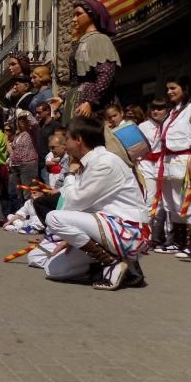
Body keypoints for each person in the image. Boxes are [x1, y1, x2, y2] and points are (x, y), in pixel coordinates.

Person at [43, 116, 149, 290]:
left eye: (67, 138)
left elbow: (73, 203)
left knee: (53, 217)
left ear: (78, 140)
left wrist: (70, 174)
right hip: (108, 227)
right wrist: (71, 236)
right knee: (53, 270)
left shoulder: (104, 163)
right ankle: (124, 265)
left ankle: (111, 263)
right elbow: (84, 205)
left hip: (129, 231)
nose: (65, 142)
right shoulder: (92, 161)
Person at [158, 76, 191, 260]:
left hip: (185, 162)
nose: (169, 92)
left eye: (173, 88)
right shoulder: (173, 112)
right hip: (169, 163)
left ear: (184, 88)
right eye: (167, 89)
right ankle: (179, 241)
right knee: (173, 203)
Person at [59, 0, 121, 124]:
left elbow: (106, 74)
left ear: (92, 15)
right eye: (73, 15)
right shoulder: (82, 41)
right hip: (79, 103)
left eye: (78, 14)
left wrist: (90, 102)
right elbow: (80, 81)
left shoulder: (99, 39)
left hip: (95, 109)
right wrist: (63, 98)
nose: (73, 19)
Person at [141, 99, 174, 252]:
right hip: (147, 166)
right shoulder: (143, 126)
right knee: (150, 201)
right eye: (153, 108)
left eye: (160, 109)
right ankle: (145, 237)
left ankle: (160, 237)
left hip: (166, 166)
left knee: (165, 204)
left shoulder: (171, 124)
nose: (156, 112)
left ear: (167, 110)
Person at [9, 110, 39, 202]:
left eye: (24, 119)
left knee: (28, 193)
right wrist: (10, 160)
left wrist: (26, 114)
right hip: (15, 166)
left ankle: (30, 215)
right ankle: (22, 214)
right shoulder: (18, 135)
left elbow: (35, 124)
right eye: (20, 119)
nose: (22, 121)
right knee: (19, 194)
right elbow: (15, 150)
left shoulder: (32, 132)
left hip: (28, 165)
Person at [35, 101, 60, 183]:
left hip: (49, 164)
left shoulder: (55, 125)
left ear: (47, 111)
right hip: (39, 164)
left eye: (39, 112)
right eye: (36, 113)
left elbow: (60, 144)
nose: (37, 115)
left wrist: (55, 159)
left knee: (51, 189)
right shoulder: (39, 126)